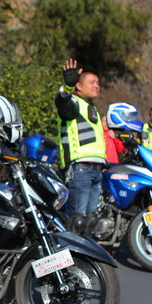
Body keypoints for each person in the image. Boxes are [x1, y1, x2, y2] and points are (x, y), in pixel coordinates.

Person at [55, 59, 106, 234]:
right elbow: (62, 103)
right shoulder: (73, 102)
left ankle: (87, 251)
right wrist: (67, 88)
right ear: (79, 85)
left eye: (98, 82)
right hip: (80, 169)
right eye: (92, 82)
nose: (96, 85)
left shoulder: (91, 107)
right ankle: (71, 250)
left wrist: (103, 162)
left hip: (96, 169)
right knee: (78, 220)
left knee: (91, 220)